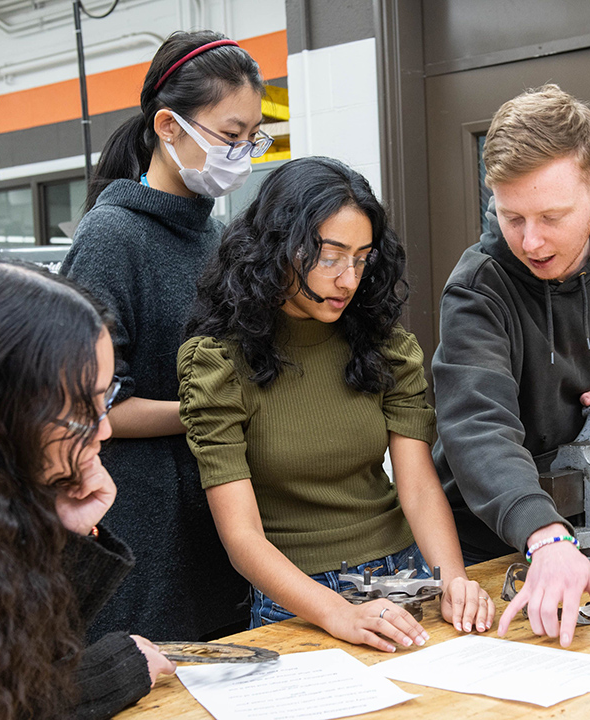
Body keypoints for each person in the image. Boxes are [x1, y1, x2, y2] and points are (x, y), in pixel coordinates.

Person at [178, 156, 494, 654]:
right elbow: (242, 539)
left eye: (363, 258)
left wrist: (452, 580)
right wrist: (338, 614)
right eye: (331, 257)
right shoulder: (216, 364)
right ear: (277, 249)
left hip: (405, 578)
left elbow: (417, 485)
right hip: (300, 600)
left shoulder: (385, 345)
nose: (349, 279)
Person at [431, 84, 590, 646]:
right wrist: (545, 536)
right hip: (487, 529)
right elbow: (478, 426)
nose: (531, 241)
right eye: (510, 216)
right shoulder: (476, 291)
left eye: (550, 216)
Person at [62, 31, 268, 641]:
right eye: (231, 135)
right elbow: (92, 407)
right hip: (143, 527)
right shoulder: (111, 237)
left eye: (251, 138)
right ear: (169, 126)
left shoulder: (213, 237)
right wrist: (213, 410)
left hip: (210, 509)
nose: (241, 152)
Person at [0, 257, 176, 720]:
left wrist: (67, 533)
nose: (104, 431)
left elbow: (14, 676)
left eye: (106, 401)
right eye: (81, 408)